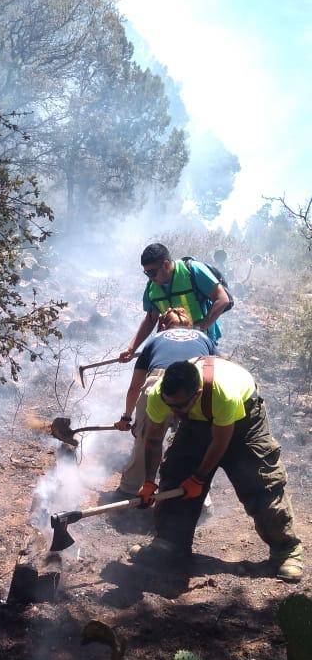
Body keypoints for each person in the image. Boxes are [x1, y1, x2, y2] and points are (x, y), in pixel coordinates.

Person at [133, 357, 303, 583]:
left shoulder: (224, 394)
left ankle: (286, 551)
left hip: (244, 423)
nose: (174, 411)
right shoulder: (159, 395)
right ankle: (170, 545)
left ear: (198, 392)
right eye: (170, 405)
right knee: (175, 479)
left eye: (180, 406)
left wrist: (198, 478)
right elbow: (153, 440)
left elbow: (220, 443)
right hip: (197, 421)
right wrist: (148, 481)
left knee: (260, 485)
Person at [113, 306, 217, 495]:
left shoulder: (155, 339)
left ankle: (130, 489)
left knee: (147, 438)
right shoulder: (204, 338)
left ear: (162, 325)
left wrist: (127, 418)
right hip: (195, 386)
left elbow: (135, 386)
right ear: (189, 324)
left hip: (159, 383)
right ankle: (196, 493)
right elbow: (214, 369)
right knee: (193, 441)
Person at [119, 242, 231, 361]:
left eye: (152, 273)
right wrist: (131, 349)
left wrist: (201, 327)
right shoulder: (152, 288)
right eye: (146, 273)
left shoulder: (192, 270)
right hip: (173, 342)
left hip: (202, 340)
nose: (150, 277)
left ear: (166, 265)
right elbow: (150, 320)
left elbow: (222, 298)